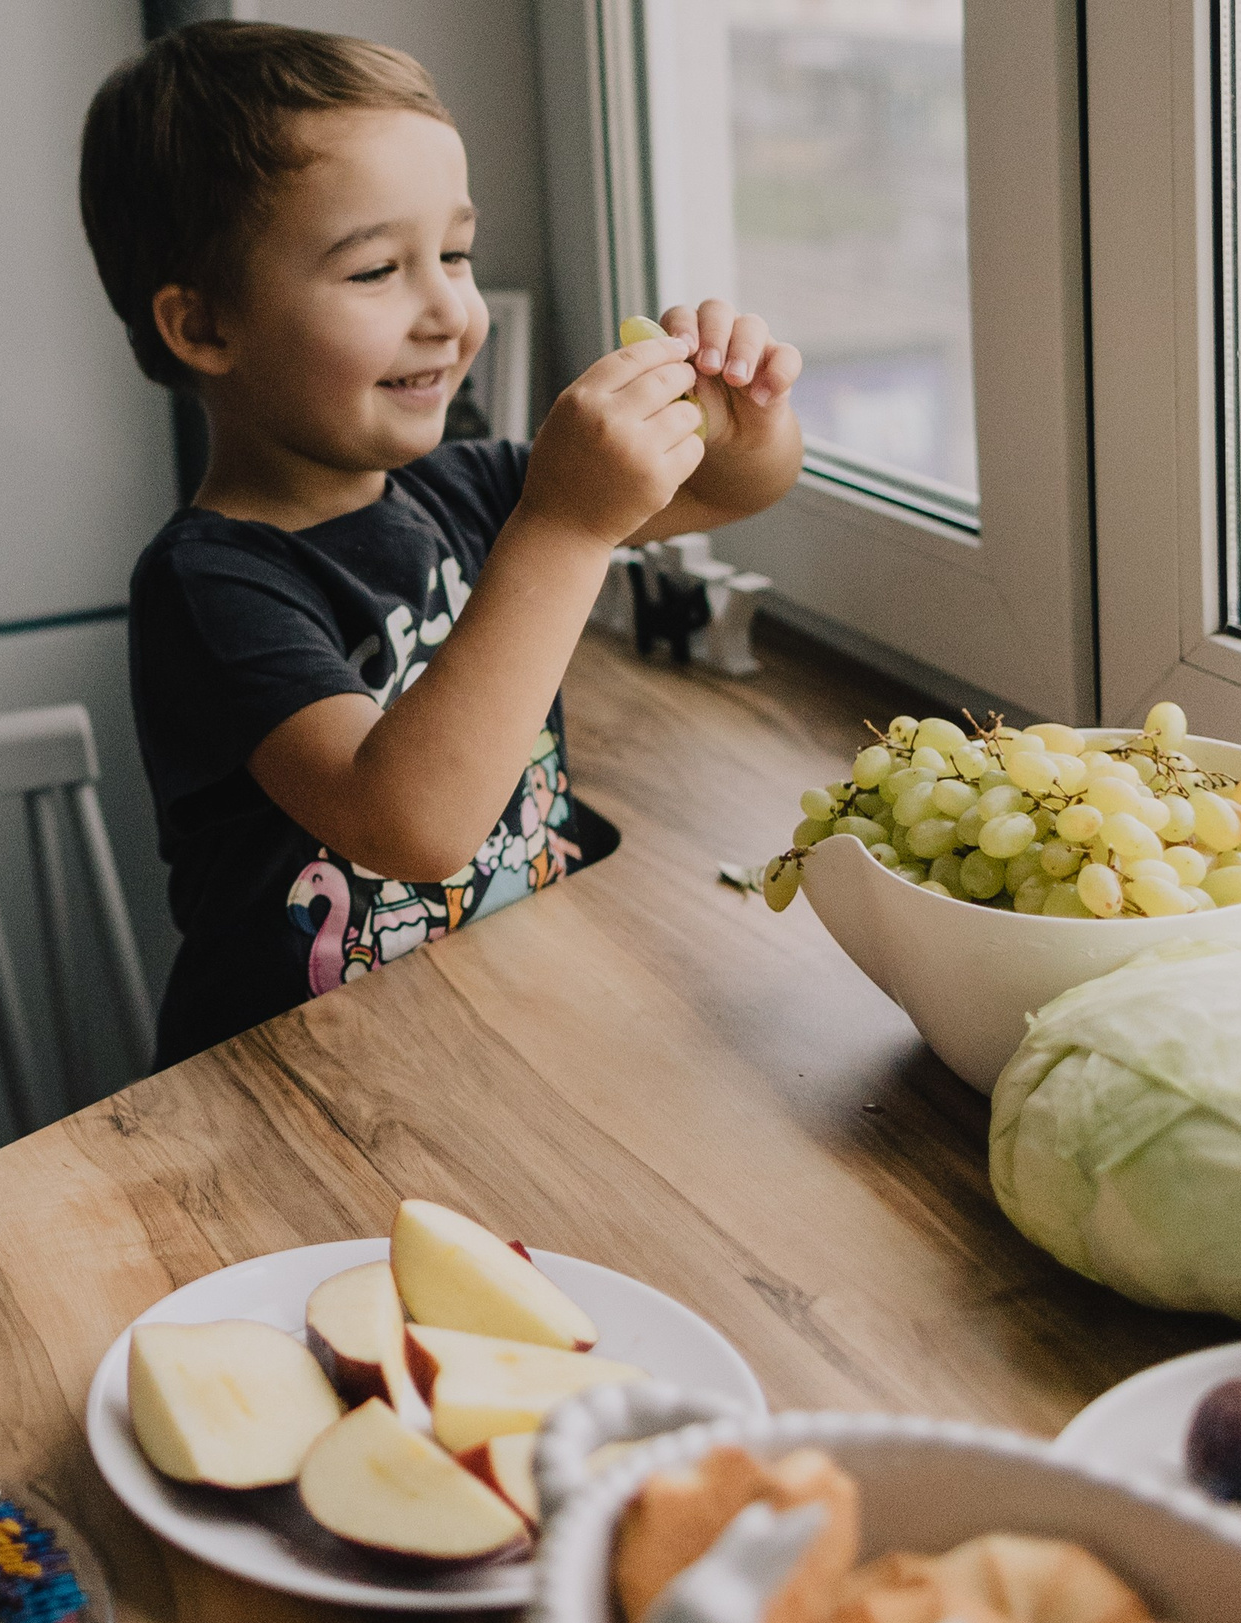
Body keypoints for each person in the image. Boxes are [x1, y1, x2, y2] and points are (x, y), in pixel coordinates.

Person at [79, 21, 806, 1066]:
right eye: (377, 270)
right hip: (302, 1089)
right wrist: (564, 525)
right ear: (203, 329)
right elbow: (408, 824)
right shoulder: (210, 582)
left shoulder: (475, 488)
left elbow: (740, 485)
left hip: (487, 1026)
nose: (449, 312)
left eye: (454, 254)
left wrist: (745, 412)